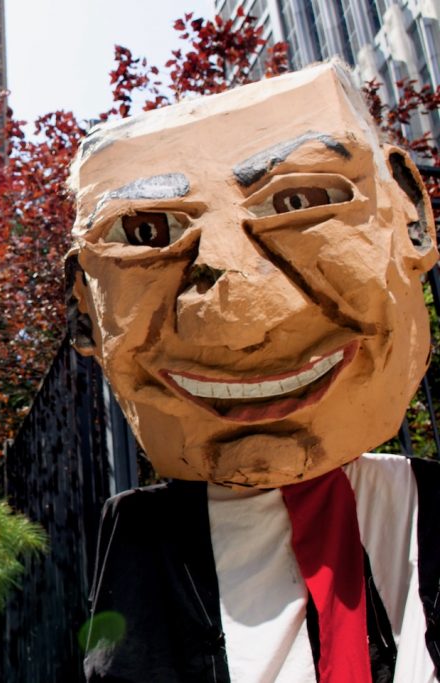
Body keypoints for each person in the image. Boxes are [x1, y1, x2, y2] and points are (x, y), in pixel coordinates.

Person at [66, 61, 440, 682]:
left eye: (300, 200)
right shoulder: (141, 537)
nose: (239, 323)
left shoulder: (416, 511)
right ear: (85, 304)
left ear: (411, 216)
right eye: (146, 231)